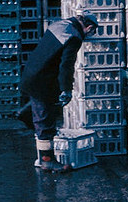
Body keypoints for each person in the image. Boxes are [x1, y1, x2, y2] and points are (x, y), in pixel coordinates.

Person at [17, 13, 98, 172]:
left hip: (32, 73)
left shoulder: (59, 25)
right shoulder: (74, 37)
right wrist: (66, 89)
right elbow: (66, 66)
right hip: (41, 81)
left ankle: (25, 113)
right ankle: (47, 160)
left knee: (42, 108)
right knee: (44, 122)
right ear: (88, 28)